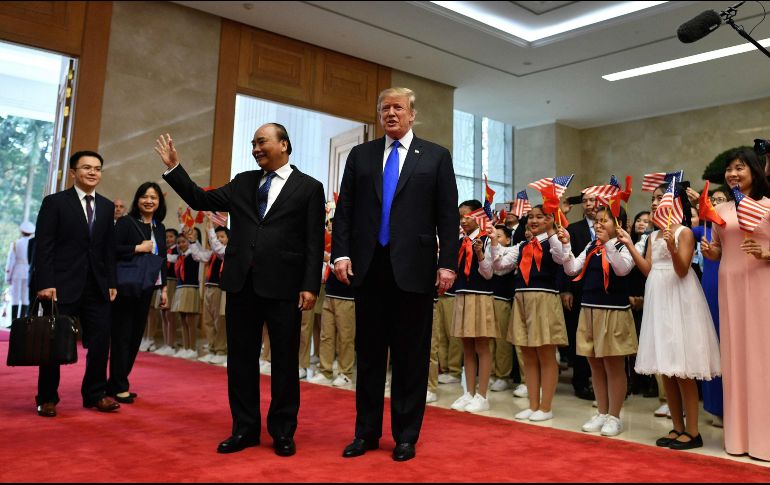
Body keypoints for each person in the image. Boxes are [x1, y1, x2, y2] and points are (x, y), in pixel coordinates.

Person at [156, 124, 325, 457]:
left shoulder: (309, 188)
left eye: (261, 142)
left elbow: (313, 242)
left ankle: (282, 431)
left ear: (284, 145)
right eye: (253, 144)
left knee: (285, 363)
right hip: (240, 284)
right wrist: (174, 167)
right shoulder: (244, 181)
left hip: (283, 288)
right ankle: (244, 429)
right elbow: (200, 199)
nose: (255, 148)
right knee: (241, 360)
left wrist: (309, 286)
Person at [332, 87, 458, 462]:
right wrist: (340, 253)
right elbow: (347, 209)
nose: (391, 114)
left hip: (415, 270)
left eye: (398, 108)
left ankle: (405, 436)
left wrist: (447, 262)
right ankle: (366, 433)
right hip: (369, 269)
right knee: (369, 355)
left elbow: (447, 215)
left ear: (412, 114)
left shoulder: (435, 156)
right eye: (385, 108)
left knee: (411, 357)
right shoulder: (361, 154)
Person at [622, 182, 721, 450]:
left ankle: (693, 431)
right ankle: (676, 427)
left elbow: (681, 270)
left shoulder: (684, 232)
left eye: (659, 198)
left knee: (683, 369)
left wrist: (673, 246)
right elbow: (648, 269)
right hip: (658, 296)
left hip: (679, 297)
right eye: (653, 199)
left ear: (675, 204)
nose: (654, 203)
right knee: (666, 367)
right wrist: (631, 245)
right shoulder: (653, 236)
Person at [34, 150, 119, 417]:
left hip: (97, 285)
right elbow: (44, 246)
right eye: (86, 168)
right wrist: (45, 282)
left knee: (101, 341)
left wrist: (111, 281)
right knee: (53, 342)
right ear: (73, 172)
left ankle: (95, 394)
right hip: (61, 285)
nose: (93, 172)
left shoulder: (106, 206)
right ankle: (47, 397)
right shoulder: (55, 202)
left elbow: (108, 249)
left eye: (97, 168)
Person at [702, 148, 770, 460]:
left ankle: (764, 439)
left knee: (762, 359)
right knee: (735, 356)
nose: (733, 174)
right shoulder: (722, 210)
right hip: (729, 285)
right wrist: (710, 250)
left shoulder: (768, 206)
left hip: (761, 285)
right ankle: (738, 438)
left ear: (754, 171)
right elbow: (718, 250)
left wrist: (767, 253)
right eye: (729, 169)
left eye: (739, 168)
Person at [555, 206, 637, 437]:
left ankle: (615, 416)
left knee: (613, 365)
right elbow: (572, 269)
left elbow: (621, 270)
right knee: (595, 364)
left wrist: (609, 243)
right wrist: (566, 245)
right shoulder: (592, 246)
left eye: (605, 221)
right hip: (590, 310)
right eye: (597, 221)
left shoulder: (625, 245)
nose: (599, 224)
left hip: (614, 311)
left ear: (618, 223)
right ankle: (601, 412)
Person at [491, 205, 567, 422]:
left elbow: (562, 257)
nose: (533, 221)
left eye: (539, 217)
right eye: (531, 217)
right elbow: (499, 265)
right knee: (528, 354)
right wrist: (494, 243)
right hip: (521, 298)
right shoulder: (523, 245)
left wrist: (553, 232)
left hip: (543, 298)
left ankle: (546, 406)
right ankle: (533, 405)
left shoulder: (553, 241)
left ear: (550, 219)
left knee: (545, 354)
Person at [107, 182, 167, 404]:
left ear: (159, 202)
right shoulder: (125, 223)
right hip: (126, 287)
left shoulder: (160, 228)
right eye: (144, 196)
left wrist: (164, 290)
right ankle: (119, 385)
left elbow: (160, 262)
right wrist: (137, 248)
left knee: (134, 338)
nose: (149, 200)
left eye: (154, 197)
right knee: (122, 336)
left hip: (147, 288)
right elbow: (111, 250)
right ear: (137, 199)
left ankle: (117, 382)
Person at [449, 200, 496, 414]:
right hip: (462, 294)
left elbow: (488, 273)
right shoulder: (460, 241)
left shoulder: (486, 239)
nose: (463, 220)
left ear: (478, 217)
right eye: (460, 217)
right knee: (467, 345)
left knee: (482, 346)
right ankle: (468, 391)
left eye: (467, 216)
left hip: (481, 295)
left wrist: (479, 254)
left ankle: (483, 394)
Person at [691, 188, 727, 427]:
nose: (716, 204)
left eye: (721, 200)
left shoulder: (733, 226)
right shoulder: (703, 229)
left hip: (732, 283)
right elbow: (678, 227)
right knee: (712, 345)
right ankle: (716, 406)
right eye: (713, 200)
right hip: (710, 287)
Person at [561, 192, 597, 401]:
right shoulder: (574, 229)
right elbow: (566, 258)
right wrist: (565, 289)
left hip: (604, 289)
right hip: (578, 289)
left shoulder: (612, 225)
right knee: (580, 336)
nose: (589, 204)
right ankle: (581, 382)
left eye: (592, 200)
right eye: (585, 201)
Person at [198, 215, 229, 365]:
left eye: (222, 236)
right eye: (217, 237)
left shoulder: (226, 253)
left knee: (219, 321)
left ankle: (221, 349)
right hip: (209, 287)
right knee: (208, 320)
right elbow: (198, 254)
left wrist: (210, 228)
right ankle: (212, 348)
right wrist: (192, 240)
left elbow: (217, 247)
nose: (219, 239)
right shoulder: (213, 254)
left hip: (219, 289)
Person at [5, 221, 35, 319]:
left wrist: (8, 277)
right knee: (25, 297)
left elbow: (11, 261)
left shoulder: (16, 243)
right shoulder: (33, 243)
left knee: (15, 296)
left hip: (17, 271)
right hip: (28, 272)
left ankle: (14, 321)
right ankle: (22, 322)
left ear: (22, 231)